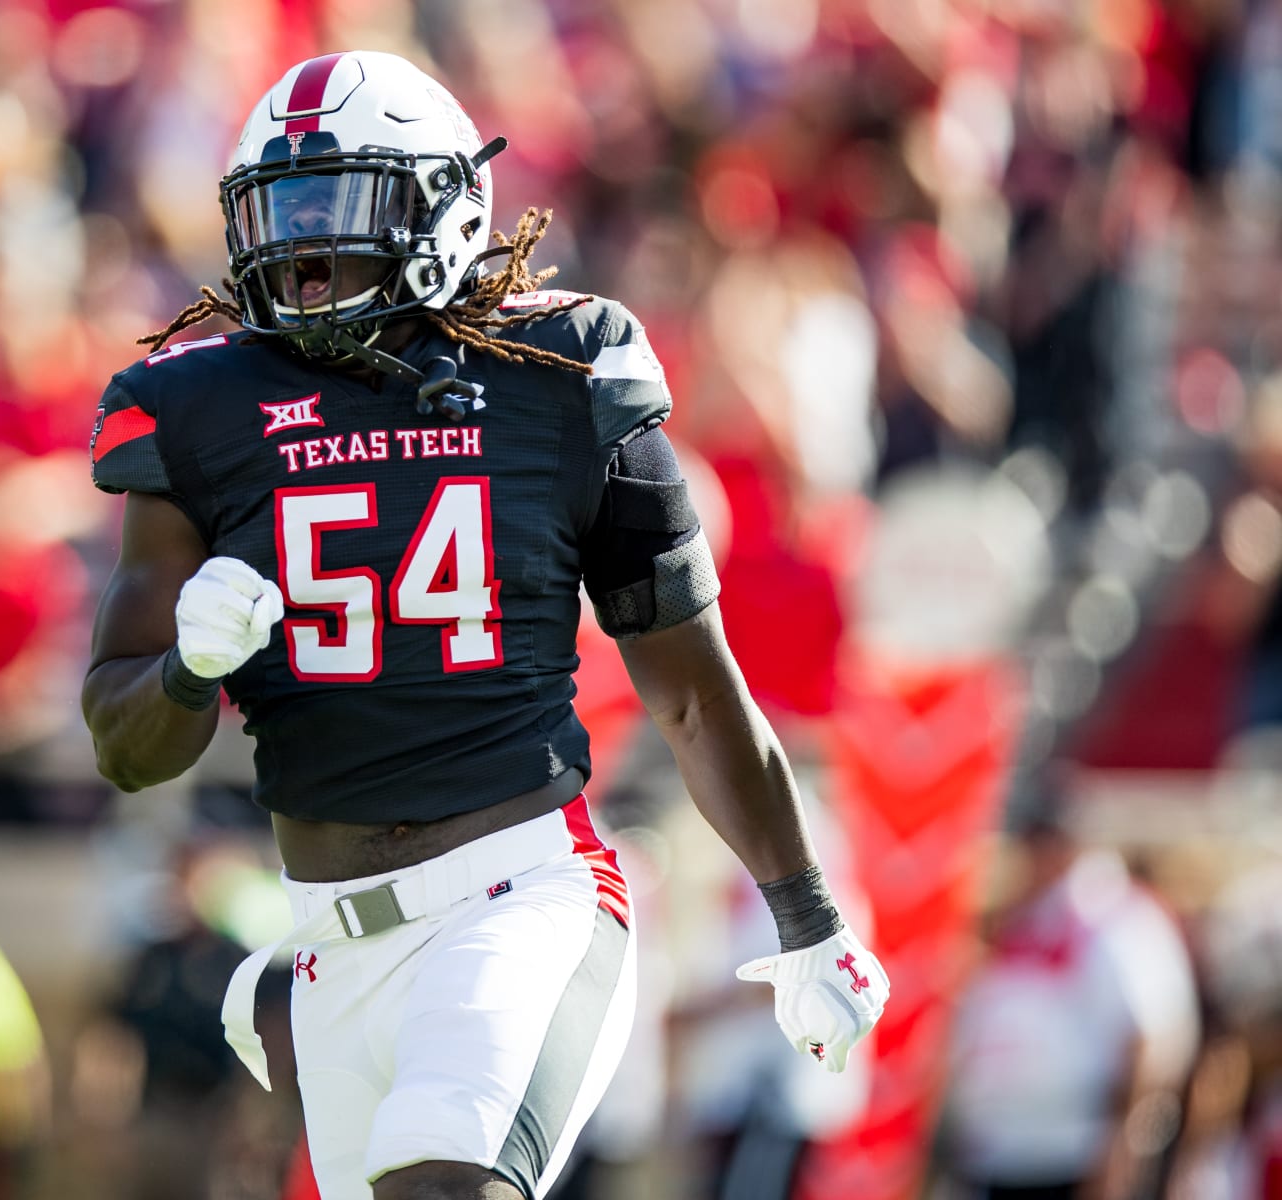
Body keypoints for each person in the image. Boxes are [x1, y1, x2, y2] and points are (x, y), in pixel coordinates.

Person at [82, 50, 891, 1200]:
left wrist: (807, 916)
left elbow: (695, 691)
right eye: (276, 215)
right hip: (326, 945)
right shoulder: (197, 409)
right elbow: (122, 749)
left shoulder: (564, 377)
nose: (300, 254)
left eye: (336, 210)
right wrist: (183, 669)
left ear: (444, 206)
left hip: (516, 901)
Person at [942, 812, 1200, 1200]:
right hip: (995, 1152)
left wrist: (1123, 1147)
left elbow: (1153, 1039)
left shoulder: (1113, 917)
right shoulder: (1014, 917)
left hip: (1075, 1154)